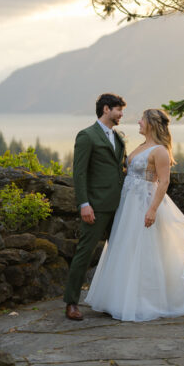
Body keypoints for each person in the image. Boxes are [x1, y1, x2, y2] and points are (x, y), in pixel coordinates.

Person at [85, 107, 184, 322]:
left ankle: (143, 301)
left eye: (142, 120)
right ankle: (118, 298)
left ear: (151, 123)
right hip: (128, 204)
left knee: (143, 251)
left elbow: (164, 182)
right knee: (124, 247)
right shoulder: (143, 146)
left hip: (144, 203)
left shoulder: (160, 151)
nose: (139, 123)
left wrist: (152, 209)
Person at [64, 92, 127, 321]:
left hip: (120, 206)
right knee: (85, 252)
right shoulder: (87, 136)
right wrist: (84, 204)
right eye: (119, 110)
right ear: (106, 109)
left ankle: (114, 300)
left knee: (119, 253)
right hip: (96, 207)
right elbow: (79, 173)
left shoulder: (118, 137)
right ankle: (71, 303)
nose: (121, 115)